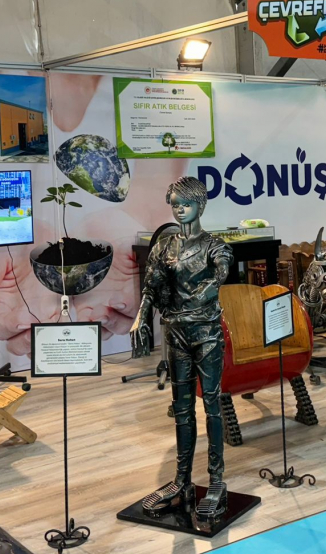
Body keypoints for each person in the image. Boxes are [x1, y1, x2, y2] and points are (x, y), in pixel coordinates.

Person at [131, 176, 234, 521]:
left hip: (206, 334)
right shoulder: (164, 246)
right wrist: (141, 317)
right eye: (175, 204)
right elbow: (151, 285)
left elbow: (221, 272)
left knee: (212, 405)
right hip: (176, 334)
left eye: (186, 204)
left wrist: (208, 289)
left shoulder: (214, 245)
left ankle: (216, 480)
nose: (179, 209)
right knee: (182, 408)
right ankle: (182, 479)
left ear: (200, 206)